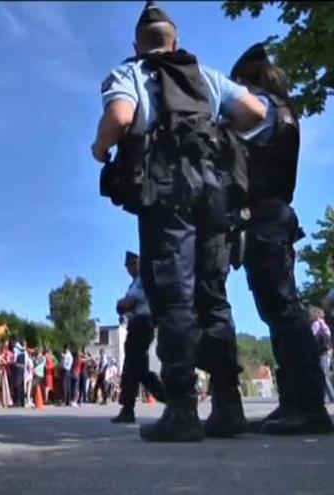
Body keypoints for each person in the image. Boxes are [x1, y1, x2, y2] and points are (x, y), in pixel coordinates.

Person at [92, 2, 267, 441]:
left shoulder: (130, 73)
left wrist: (100, 149)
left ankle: (183, 411)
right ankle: (228, 405)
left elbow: (120, 117)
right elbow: (256, 113)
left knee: (173, 295)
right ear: (176, 40)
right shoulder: (203, 74)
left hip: (166, 190)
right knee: (213, 293)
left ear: (137, 45)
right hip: (214, 189)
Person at [230, 43, 334, 435]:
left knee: (283, 309)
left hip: (267, 216)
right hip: (273, 215)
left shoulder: (265, 109)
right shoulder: (282, 110)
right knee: (277, 309)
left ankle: (308, 405)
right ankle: (293, 402)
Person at [112, 251, 167, 423]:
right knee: (140, 371)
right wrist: (122, 305)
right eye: (129, 265)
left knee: (130, 368)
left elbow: (131, 303)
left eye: (134, 263)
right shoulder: (133, 284)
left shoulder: (143, 281)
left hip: (142, 324)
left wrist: (122, 304)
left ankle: (128, 410)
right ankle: (170, 398)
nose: (131, 267)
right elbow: (123, 306)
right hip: (135, 325)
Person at [310, 307, 334, 404]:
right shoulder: (324, 324)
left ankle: (330, 396)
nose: (309, 316)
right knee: (323, 374)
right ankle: (325, 397)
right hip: (328, 352)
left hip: (322, 352)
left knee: (323, 375)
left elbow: (311, 336)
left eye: (311, 314)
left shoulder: (316, 324)